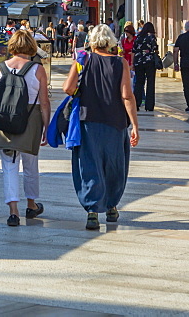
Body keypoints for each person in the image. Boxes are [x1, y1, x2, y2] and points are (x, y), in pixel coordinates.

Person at [62, 25, 139, 231]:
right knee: (115, 165)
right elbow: (126, 95)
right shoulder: (120, 62)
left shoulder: (83, 59)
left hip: (88, 121)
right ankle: (112, 206)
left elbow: (68, 88)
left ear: (92, 40)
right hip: (116, 123)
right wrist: (135, 126)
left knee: (89, 164)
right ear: (111, 41)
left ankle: (93, 212)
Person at [0, 30, 50, 227]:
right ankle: (31, 204)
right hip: (30, 121)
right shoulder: (37, 69)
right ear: (31, 46)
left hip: (5, 123)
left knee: (9, 166)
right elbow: (44, 102)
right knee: (30, 165)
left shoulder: (0, 68)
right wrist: (47, 128)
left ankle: (13, 210)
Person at [131, 22, 160, 111]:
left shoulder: (138, 37)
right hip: (149, 62)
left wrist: (132, 63)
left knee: (139, 83)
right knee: (150, 83)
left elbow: (133, 51)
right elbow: (155, 49)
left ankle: (136, 104)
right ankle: (149, 105)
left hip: (138, 62)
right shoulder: (151, 37)